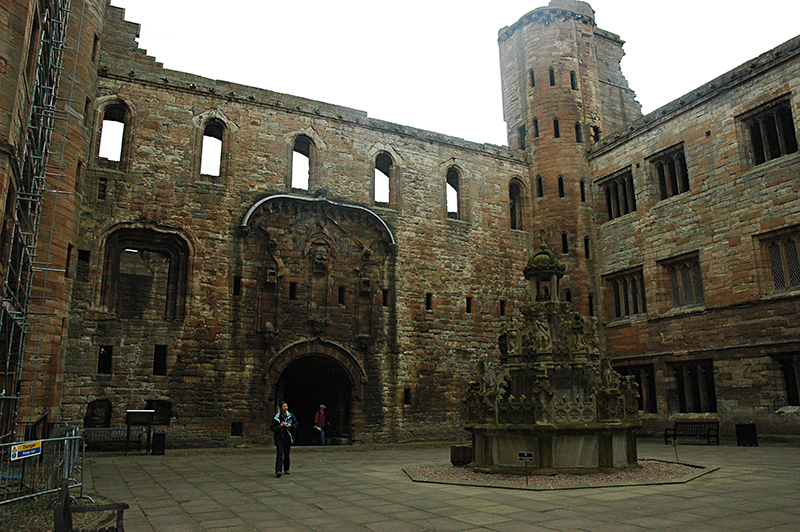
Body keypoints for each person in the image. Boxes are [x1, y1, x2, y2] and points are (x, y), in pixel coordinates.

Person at [270, 401, 297, 477]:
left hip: (288, 437)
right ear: (281, 408)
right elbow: (272, 427)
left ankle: (286, 468)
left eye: (286, 406)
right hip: (280, 437)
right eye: (284, 406)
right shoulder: (277, 417)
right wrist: (280, 426)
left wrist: (290, 426)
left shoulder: (291, 416)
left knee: (287, 454)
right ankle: (278, 470)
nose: (286, 408)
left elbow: (296, 424)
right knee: (279, 454)